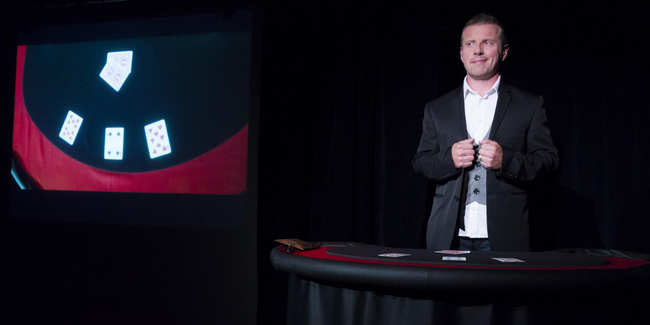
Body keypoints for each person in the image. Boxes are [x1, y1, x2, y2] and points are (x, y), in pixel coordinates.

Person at [413, 13, 559, 252]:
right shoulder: (437, 108)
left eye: (487, 43)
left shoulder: (529, 105)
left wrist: (507, 160)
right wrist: (449, 159)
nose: (477, 51)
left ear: (504, 51)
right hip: (448, 236)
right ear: (461, 53)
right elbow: (421, 162)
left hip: (506, 237)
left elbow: (549, 161)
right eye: (470, 43)